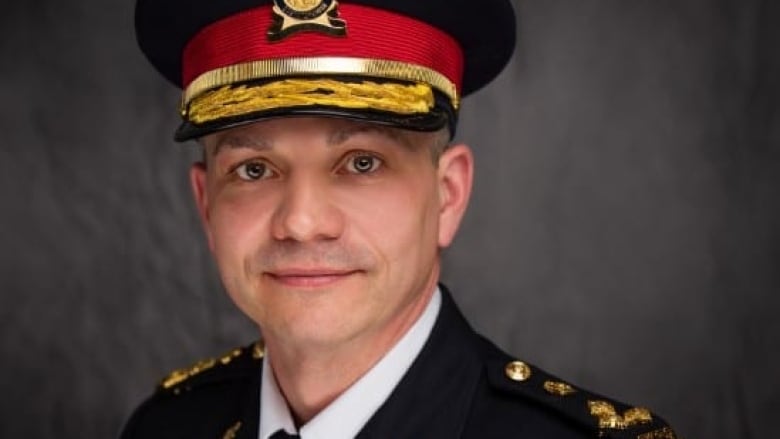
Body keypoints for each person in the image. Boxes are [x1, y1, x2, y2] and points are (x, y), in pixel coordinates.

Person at [122, 0, 678, 438]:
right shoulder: (167, 427)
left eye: (362, 163)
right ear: (205, 206)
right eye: (254, 169)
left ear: (447, 196)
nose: (302, 221)